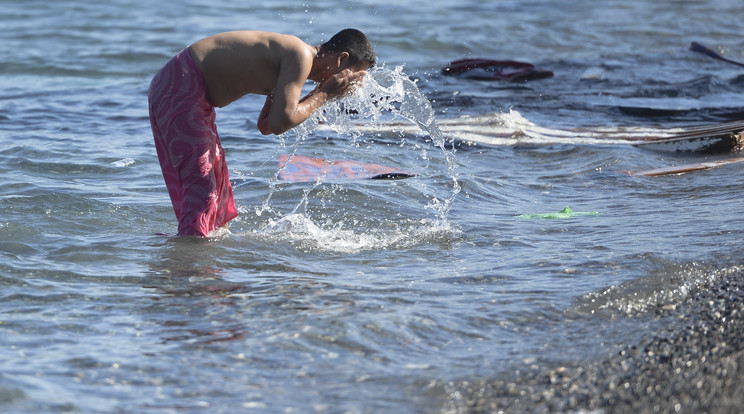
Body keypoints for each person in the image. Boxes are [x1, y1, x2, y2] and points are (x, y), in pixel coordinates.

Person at [148, 29, 376, 237]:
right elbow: (280, 122)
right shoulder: (300, 54)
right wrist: (326, 94)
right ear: (342, 59)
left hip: (192, 94)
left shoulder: (294, 67)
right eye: (353, 75)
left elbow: (266, 125)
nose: (352, 84)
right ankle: (192, 270)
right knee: (202, 189)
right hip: (180, 86)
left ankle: (212, 265)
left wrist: (320, 92)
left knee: (218, 192)